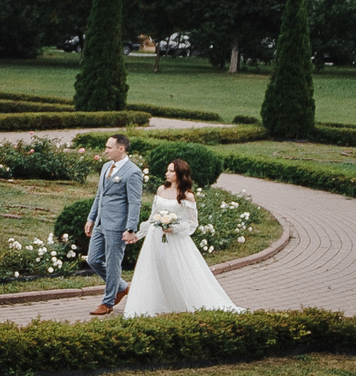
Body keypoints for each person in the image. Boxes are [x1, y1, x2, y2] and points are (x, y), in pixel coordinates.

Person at [120, 158, 242, 318]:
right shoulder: (161, 190)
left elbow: (192, 223)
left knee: (179, 270)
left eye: (171, 171)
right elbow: (152, 217)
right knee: (154, 268)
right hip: (155, 237)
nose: (167, 173)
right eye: (167, 170)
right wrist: (139, 234)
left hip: (175, 239)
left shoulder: (187, 196)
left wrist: (174, 228)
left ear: (180, 174)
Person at [84, 133, 146, 316]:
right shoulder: (105, 167)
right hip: (101, 223)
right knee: (93, 259)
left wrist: (130, 229)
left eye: (109, 147)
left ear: (121, 148)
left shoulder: (133, 172)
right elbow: (99, 195)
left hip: (118, 226)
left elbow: (135, 203)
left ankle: (108, 302)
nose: (106, 150)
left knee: (113, 264)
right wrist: (91, 218)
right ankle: (121, 287)